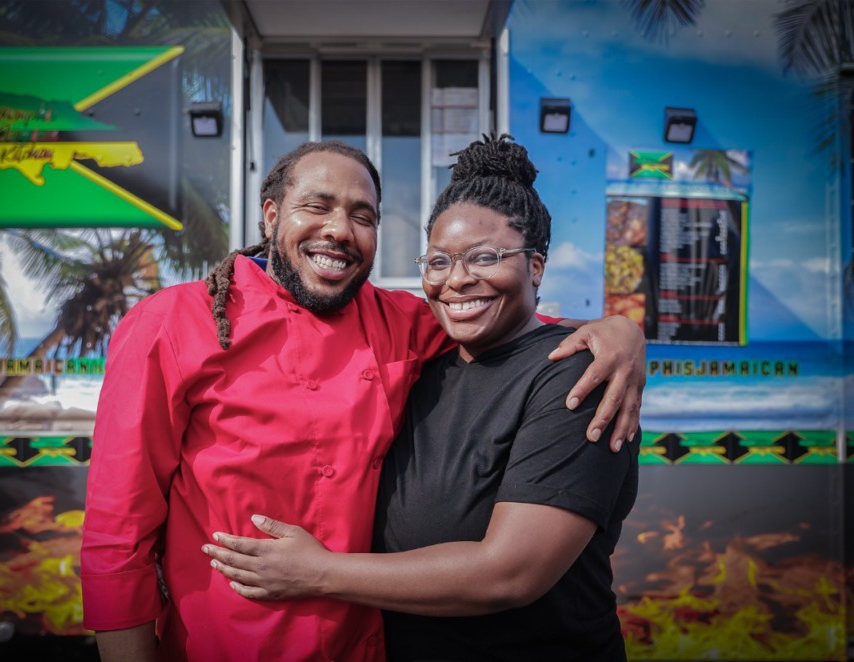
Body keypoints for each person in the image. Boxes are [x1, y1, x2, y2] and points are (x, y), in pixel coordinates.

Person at [81, 139, 645, 661]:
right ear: (272, 215)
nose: (339, 230)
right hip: (227, 645)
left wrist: (617, 333)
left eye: (363, 216)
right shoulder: (172, 324)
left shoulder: (396, 321)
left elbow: (497, 315)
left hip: (368, 647)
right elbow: (118, 533)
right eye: (317, 206)